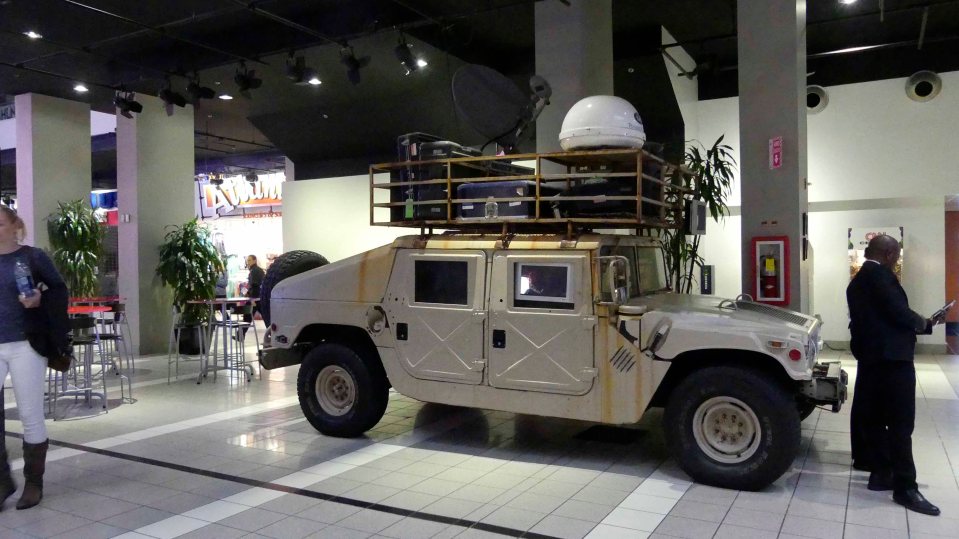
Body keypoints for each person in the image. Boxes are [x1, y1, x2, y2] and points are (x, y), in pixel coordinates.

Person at [846, 234, 943, 516]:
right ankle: (905, 487)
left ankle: (881, 473)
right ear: (888, 254)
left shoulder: (857, 281)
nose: (897, 259)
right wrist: (926, 323)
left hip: (870, 359)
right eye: (897, 254)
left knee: (874, 420)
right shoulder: (882, 277)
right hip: (893, 361)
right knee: (901, 425)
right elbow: (899, 313)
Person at [0, 205, 69, 510]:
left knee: (30, 414)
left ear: (15, 225)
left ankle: (33, 483)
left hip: (26, 344)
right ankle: (2, 482)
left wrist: (41, 298)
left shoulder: (32, 257)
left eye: (0, 224)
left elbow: (59, 290)